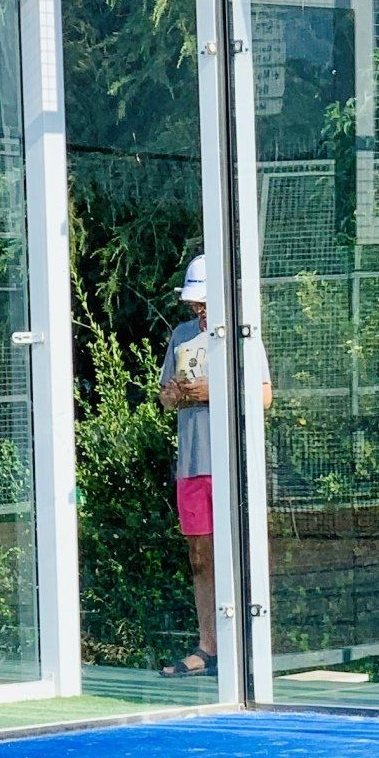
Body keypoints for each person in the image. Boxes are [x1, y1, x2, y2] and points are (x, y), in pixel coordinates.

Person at [157, 257, 217, 674]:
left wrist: (214, 390)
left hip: (229, 464)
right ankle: (208, 646)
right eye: (196, 302)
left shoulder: (242, 335)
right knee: (200, 555)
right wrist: (174, 393)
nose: (199, 309)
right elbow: (164, 396)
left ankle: (244, 646)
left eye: (205, 301)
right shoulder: (181, 335)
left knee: (234, 552)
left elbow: (264, 395)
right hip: (193, 462)